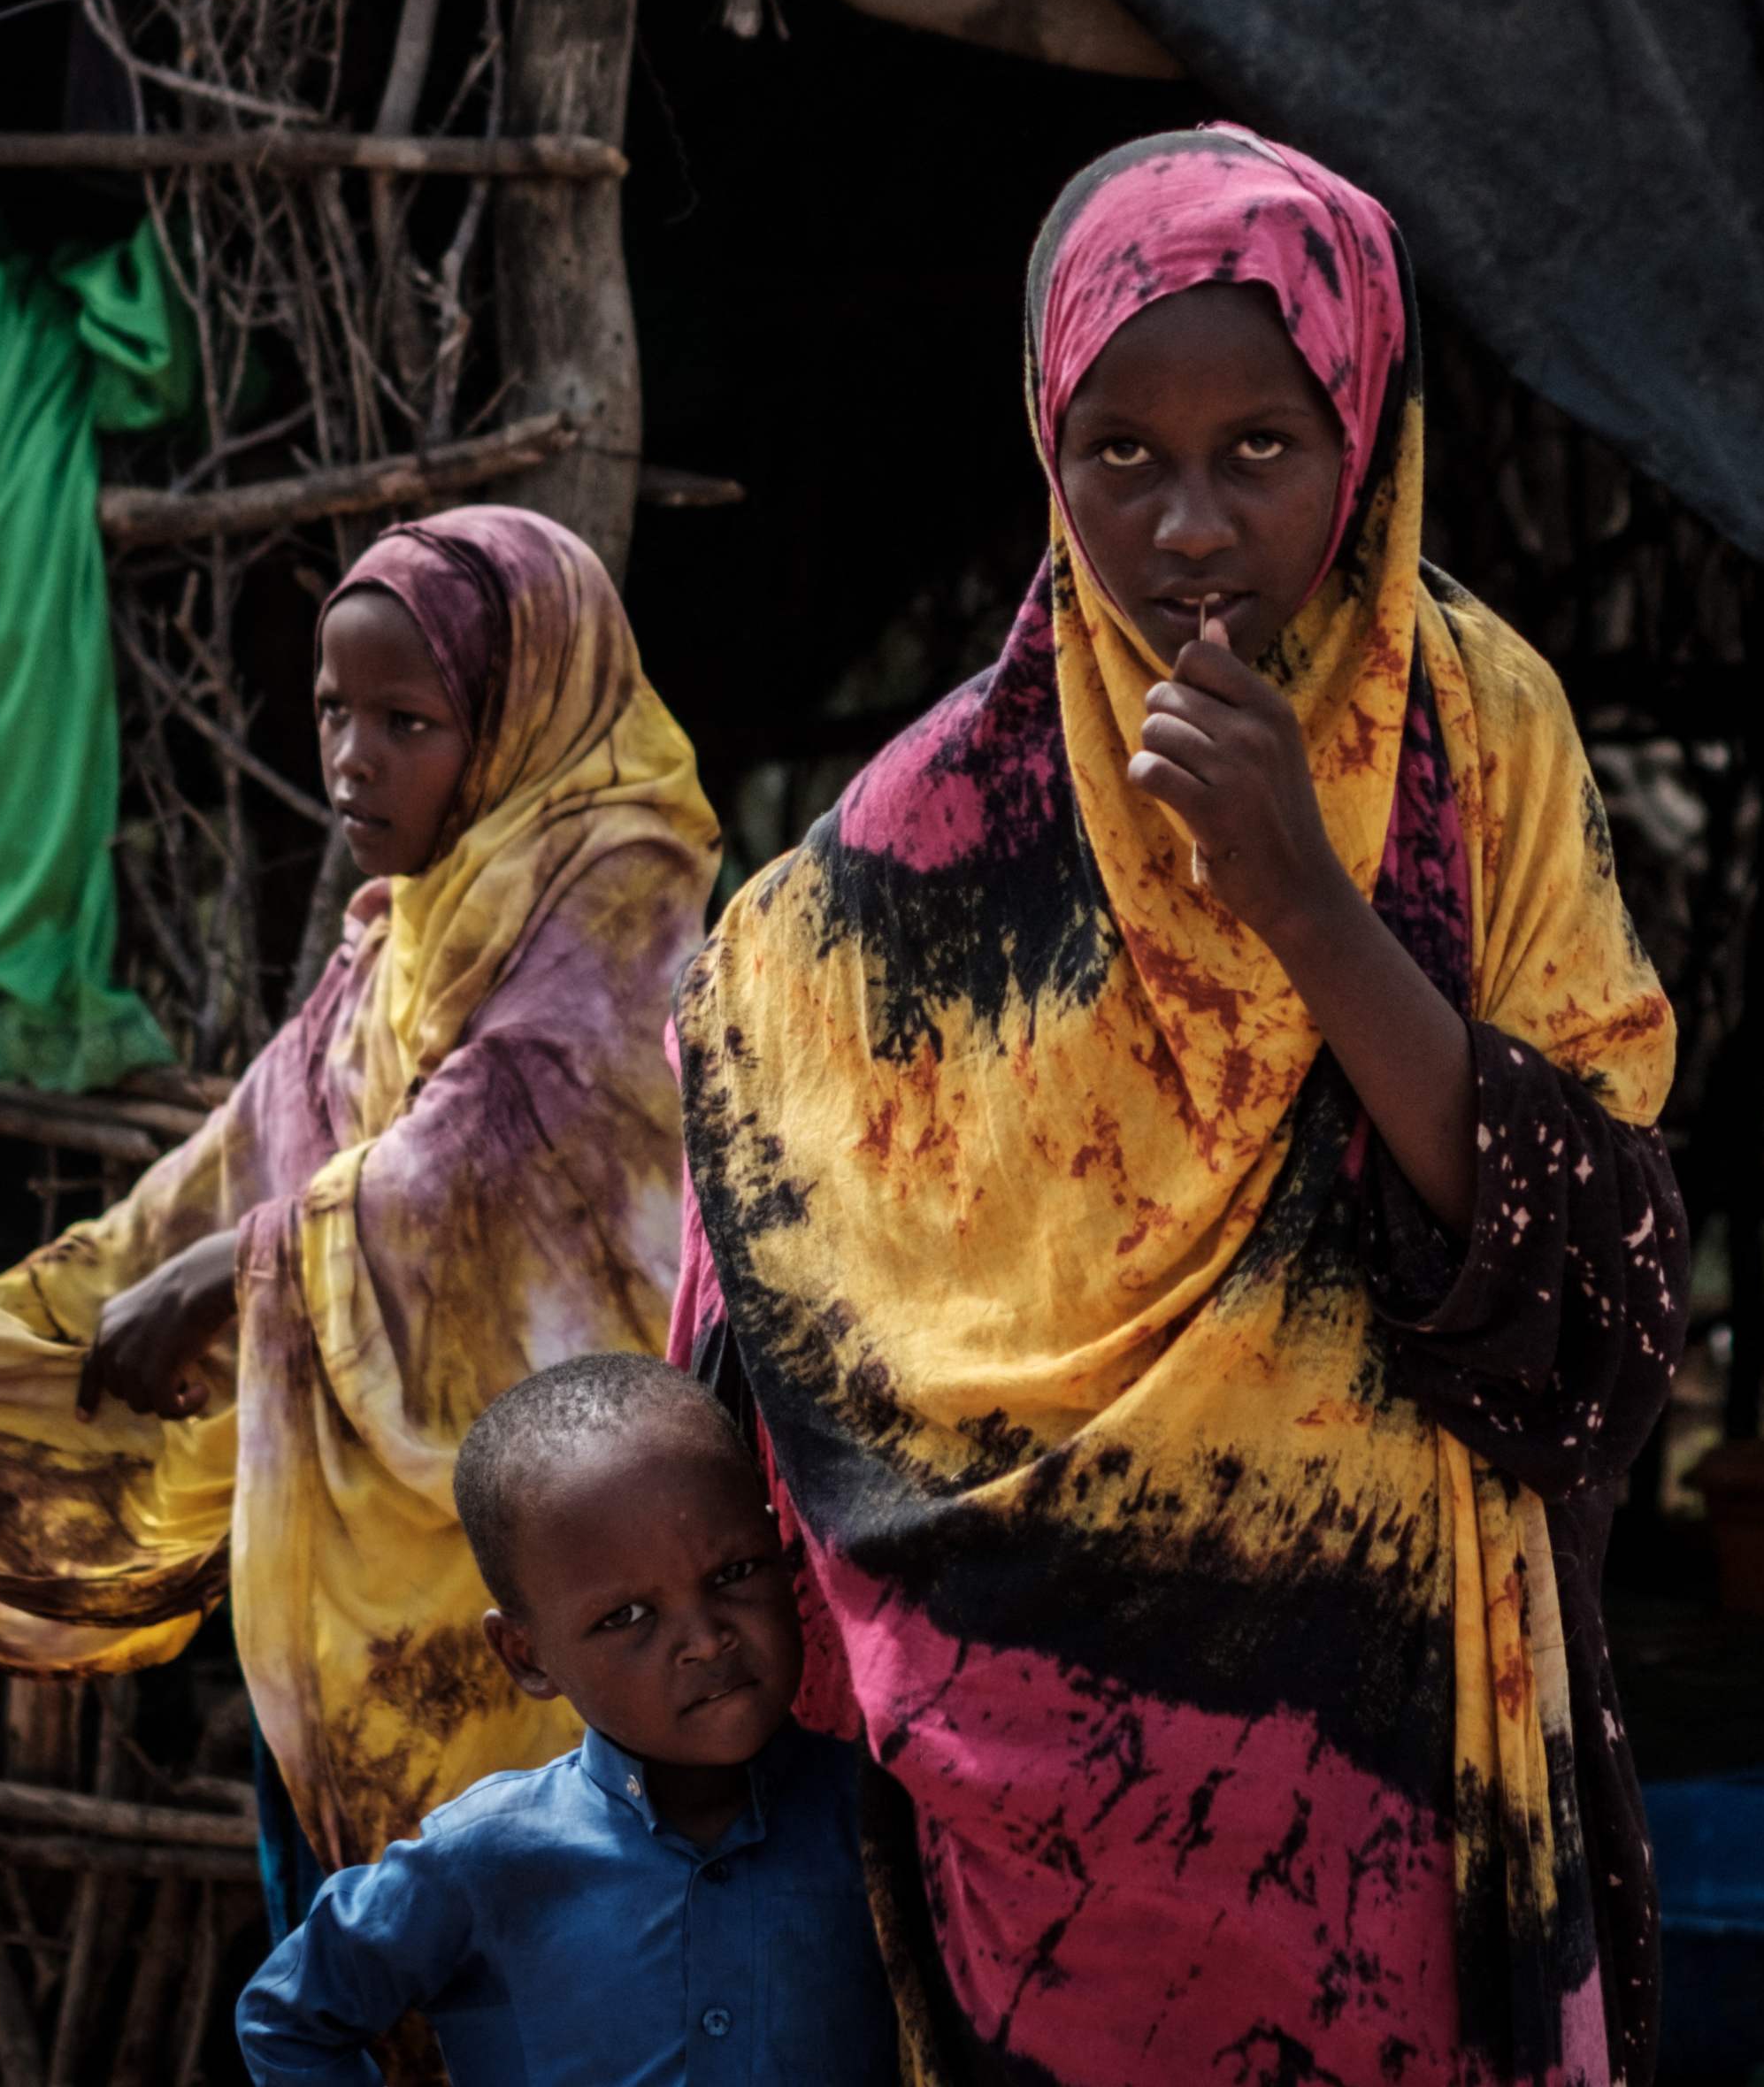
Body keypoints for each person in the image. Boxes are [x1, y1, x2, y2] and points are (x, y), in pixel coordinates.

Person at [670, 124, 1687, 2086]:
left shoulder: (1479, 740)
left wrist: (1305, 896)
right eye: (1119, 453)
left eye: (1261, 448)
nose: (1190, 525)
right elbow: (774, 1182)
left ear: (1366, 431)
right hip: (1033, 1787)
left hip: (1396, 1742)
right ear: (1046, 445)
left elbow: (1599, 1282)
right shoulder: (939, 828)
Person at [0, 504, 716, 1918]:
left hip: (576, 1682)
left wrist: (252, 1263)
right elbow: (155, 1238)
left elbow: (500, 1152)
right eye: (332, 710)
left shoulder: (624, 920)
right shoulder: (384, 970)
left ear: (523, 716)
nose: (352, 759)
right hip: (341, 1680)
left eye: (408, 721)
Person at [235, 1354, 894, 2087]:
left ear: (784, 1551)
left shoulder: (880, 1822)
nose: (708, 1640)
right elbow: (287, 2016)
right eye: (628, 1617)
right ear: (526, 1656)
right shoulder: (485, 1859)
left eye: (734, 1573)